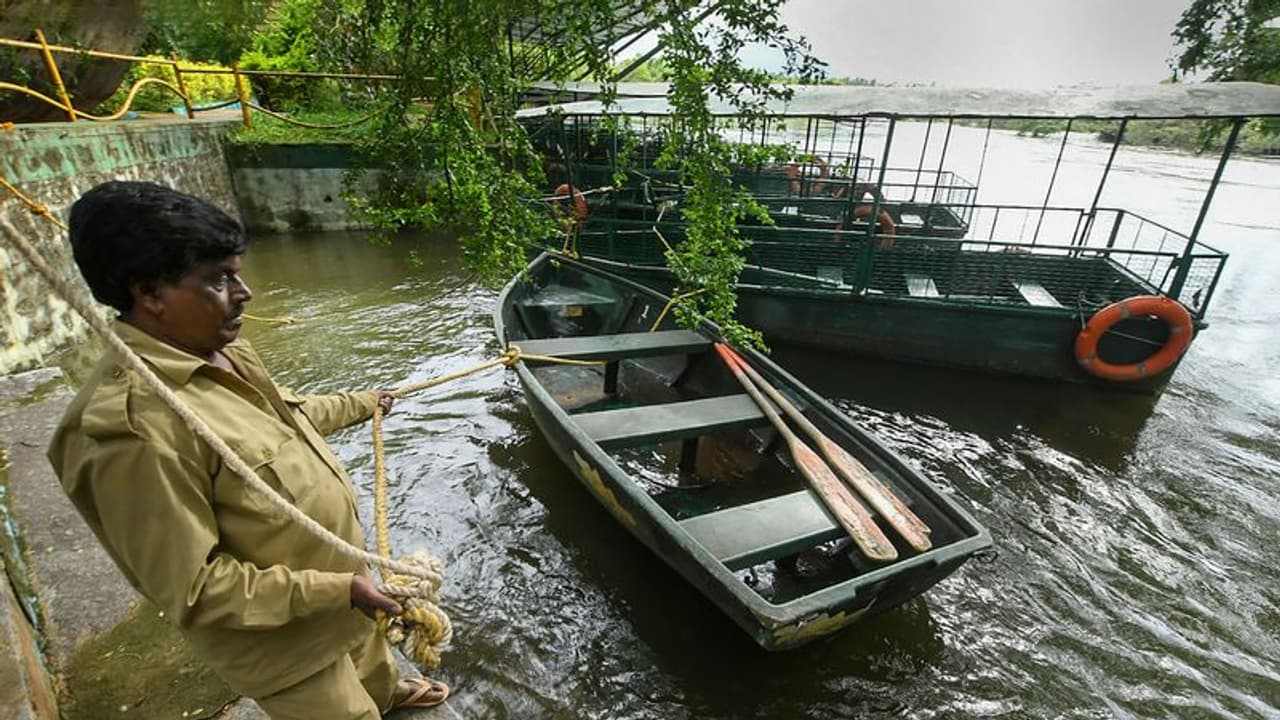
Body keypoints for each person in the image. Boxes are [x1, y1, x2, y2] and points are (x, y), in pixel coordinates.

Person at [46, 181, 449, 719]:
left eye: (236, 272)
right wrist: (340, 591)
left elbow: (289, 418)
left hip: (347, 604)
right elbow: (196, 590)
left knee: (376, 676)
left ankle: (385, 690)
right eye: (217, 279)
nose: (244, 293)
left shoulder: (223, 352)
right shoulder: (134, 429)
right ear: (149, 293)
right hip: (293, 649)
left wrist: (364, 402)